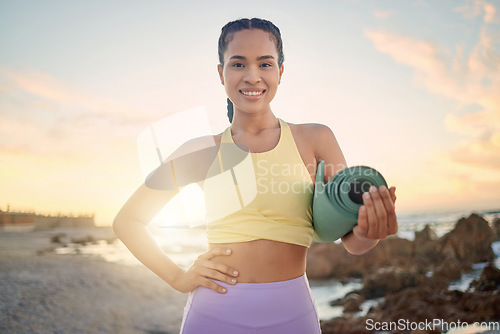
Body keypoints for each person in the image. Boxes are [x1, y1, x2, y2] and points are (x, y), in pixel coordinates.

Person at [113, 17, 398, 334]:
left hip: (294, 316)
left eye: (265, 64)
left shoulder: (316, 140)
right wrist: (178, 278)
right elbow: (128, 221)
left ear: (280, 72)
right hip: (213, 316)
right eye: (238, 64)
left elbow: (351, 242)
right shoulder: (198, 152)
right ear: (221, 73)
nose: (252, 76)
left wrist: (371, 229)